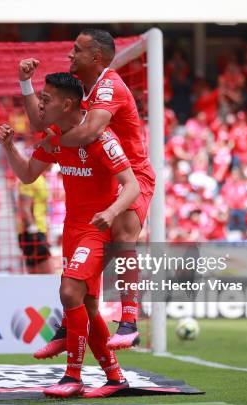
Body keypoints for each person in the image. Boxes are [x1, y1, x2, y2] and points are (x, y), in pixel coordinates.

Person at [0, 72, 139, 398]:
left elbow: (131, 186)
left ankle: (72, 376)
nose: (40, 104)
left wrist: (112, 213)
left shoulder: (101, 139)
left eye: (46, 98)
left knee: (69, 291)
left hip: (97, 229)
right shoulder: (57, 136)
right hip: (72, 231)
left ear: (68, 103)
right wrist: (8, 148)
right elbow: (28, 175)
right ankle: (115, 378)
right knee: (86, 305)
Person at [19, 28, 155, 350]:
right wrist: (25, 84)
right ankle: (98, 365)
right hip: (101, 176)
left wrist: (55, 142)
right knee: (83, 283)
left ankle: (130, 321)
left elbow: (91, 131)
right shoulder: (83, 90)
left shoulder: (110, 85)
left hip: (131, 175)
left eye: (76, 50)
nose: (70, 55)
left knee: (123, 232)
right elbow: (42, 123)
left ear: (96, 58)